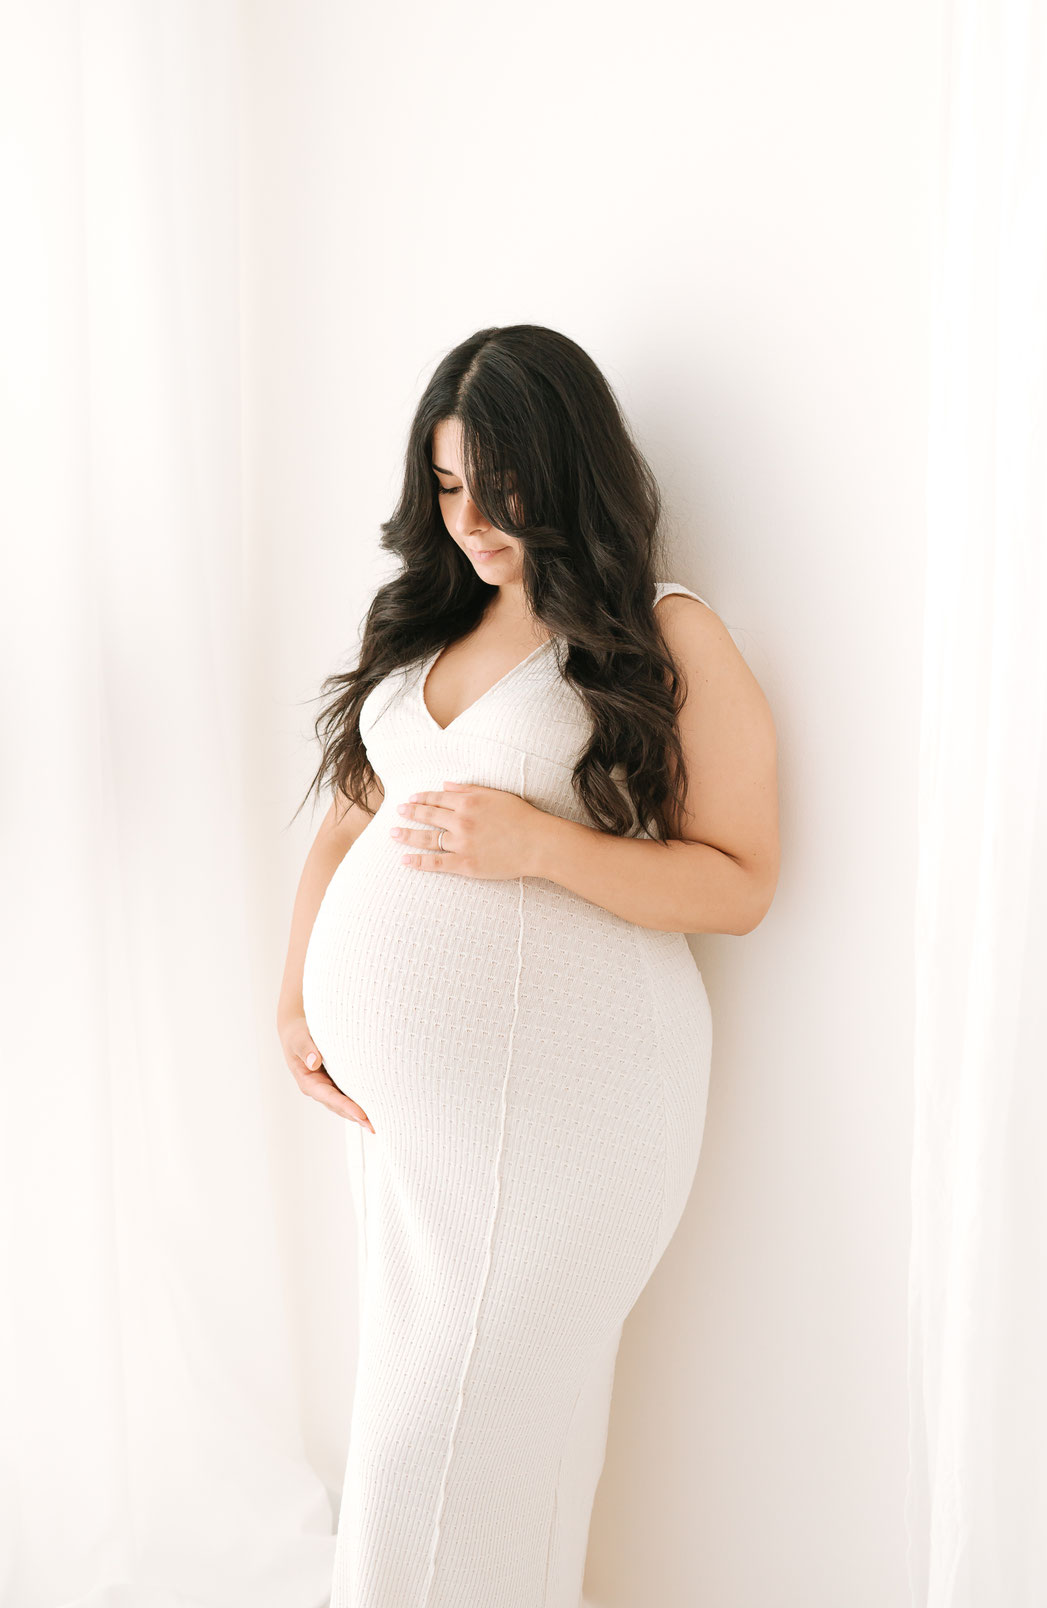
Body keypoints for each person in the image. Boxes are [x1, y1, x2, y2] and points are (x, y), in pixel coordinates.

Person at [276, 324, 779, 1608]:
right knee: (467, 1436)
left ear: (566, 469)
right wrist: (295, 1001)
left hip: (570, 1109)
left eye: (498, 488)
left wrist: (539, 847)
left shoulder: (661, 634)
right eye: (446, 486)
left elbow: (738, 880)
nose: (469, 522)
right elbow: (345, 825)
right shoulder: (424, 628)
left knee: (435, 1441)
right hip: (413, 1127)